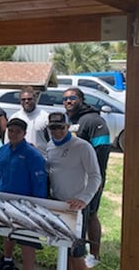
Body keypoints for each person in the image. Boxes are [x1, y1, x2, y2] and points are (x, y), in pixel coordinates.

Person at [62, 87, 111, 268]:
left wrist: (94, 181)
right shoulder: (67, 119)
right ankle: (72, 256)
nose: (68, 101)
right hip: (73, 182)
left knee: (90, 215)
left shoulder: (94, 120)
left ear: (81, 99)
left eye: (72, 98)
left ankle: (94, 255)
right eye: (65, 99)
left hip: (91, 181)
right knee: (77, 217)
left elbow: (102, 151)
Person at [46, 112, 101, 270]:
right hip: (58, 204)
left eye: (60, 127)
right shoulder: (50, 145)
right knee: (64, 248)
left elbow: (95, 176)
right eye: (53, 128)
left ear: (68, 127)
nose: (57, 131)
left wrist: (84, 199)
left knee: (76, 252)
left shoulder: (83, 147)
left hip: (77, 207)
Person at [0, 118, 47, 270]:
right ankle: (7, 260)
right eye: (11, 131)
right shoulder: (2, 151)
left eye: (17, 131)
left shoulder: (33, 155)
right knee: (7, 232)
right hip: (3, 202)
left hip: (26, 205)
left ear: (24, 133)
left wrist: (37, 206)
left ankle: (28, 268)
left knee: (27, 238)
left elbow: (39, 182)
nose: (13, 134)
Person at [6, 86, 49, 156]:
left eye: (29, 99)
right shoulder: (14, 117)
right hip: (18, 158)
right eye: (23, 99)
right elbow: (7, 141)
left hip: (40, 158)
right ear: (20, 101)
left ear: (35, 99)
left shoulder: (45, 117)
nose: (26, 101)